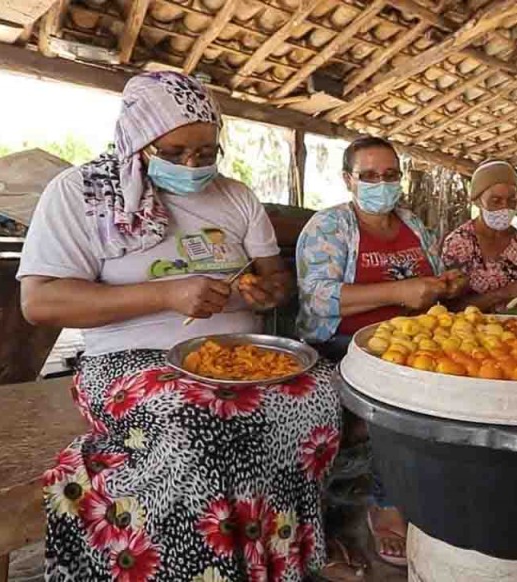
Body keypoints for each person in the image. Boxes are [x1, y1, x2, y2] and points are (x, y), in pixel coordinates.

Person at [19, 72, 347, 580]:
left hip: (240, 358)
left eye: (206, 152)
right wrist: (166, 294)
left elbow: (276, 280)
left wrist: (268, 292)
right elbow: (39, 302)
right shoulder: (80, 194)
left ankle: (275, 559)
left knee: (318, 391)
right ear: (138, 140)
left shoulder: (236, 196)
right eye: (174, 153)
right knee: (197, 416)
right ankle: (197, 566)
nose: (193, 166)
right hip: (128, 363)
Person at [296, 136, 464, 567]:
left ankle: (447, 488)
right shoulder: (329, 226)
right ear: (348, 179)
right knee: (404, 392)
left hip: (414, 342)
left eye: (389, 175)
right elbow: (318, 298)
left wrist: (443, 287)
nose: (380, 183)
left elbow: (431, 288)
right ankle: (387, 502)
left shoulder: (414, 225)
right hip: (343, 343)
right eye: (369, 175)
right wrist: (399, 291)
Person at [442, 160, 517, 312]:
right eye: (495, 201)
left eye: (512, 200)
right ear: (477, 201)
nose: (505, 207)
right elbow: (450, 308)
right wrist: (503, 293)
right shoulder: (460, 243)